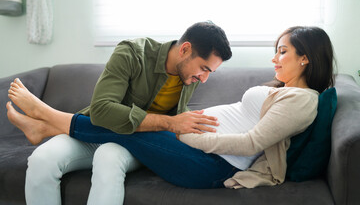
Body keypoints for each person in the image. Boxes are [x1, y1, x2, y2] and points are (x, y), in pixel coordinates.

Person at [7, 26, 335, 196]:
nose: (275, 59)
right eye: (275, 51)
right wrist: (179, 130)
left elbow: (251, 143)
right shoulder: (282, 90)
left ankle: (49, 120)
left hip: (211, 165)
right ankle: (49, 125)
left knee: (132, 129)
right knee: (131, 127)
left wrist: (188, 138)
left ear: (305, 57)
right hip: (196, 150)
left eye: (282, 51)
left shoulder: (303, 100)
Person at [6, 21, 232, 205]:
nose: (204, 79)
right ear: (185, 50)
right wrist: (170, 123)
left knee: (109, 157)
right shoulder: (133, 53)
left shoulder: (190, 77)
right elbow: (102, 109)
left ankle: (47, 123)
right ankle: (47, 124)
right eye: (204, 68)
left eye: (210, 72)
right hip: (99, 130)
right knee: (41, 160)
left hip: (136, 144)